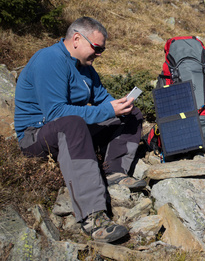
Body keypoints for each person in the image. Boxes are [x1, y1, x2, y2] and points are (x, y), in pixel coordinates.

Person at [14, 16, 146, 243]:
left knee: (130, 114)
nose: (99, 54)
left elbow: (104, 100)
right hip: (34, 135)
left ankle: (115, 171)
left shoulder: (86, 68)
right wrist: (107, 111)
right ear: (76, 39)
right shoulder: (49, 59)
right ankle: (93, 217)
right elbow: (55, 113)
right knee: (73, 123)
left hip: (67, 129)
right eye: (96, 48)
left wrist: (121, 106)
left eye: (102, 49)